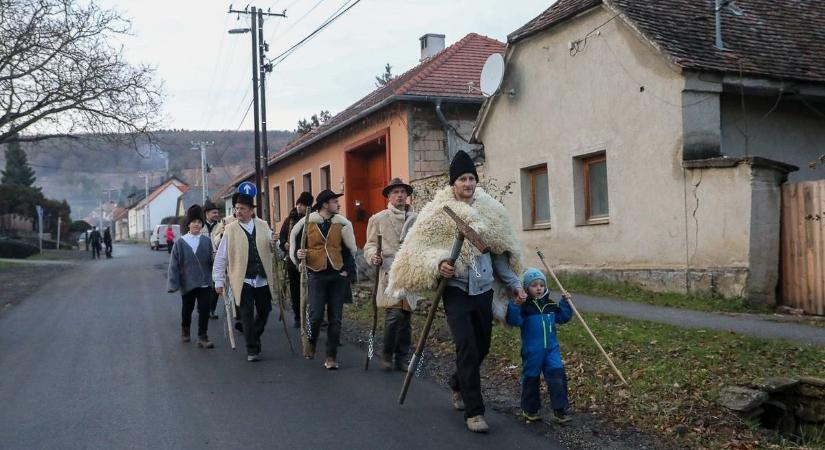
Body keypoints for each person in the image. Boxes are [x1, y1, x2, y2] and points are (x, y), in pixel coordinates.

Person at [386, 150, 526, 433]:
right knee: (466, 346)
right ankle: (475, 412)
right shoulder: (438, 212)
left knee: (482, 346)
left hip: (483, 288)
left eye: (471, 178)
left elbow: (500, 252)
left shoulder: (490, 209)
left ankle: (456, 382)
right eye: (462, 178)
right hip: (457, 291)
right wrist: (439, 264)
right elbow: (420, 248)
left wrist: (515, 284)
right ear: (453, 184)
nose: (468, 183)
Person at [290, 189, 357, 370]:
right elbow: (297, 246)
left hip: (337, 275)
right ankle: (311, 339)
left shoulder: (341, 224)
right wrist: (299, 255)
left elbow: (349, 250)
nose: (338, 204)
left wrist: (348, 272)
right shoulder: (307, 224)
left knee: (335, 319)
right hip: (316, 274)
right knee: (316, 315)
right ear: (325, 204)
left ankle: (331, 356)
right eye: (335, 201)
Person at [212, 193, 277, 362]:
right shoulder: (230, 230)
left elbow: (274, 250)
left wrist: (274, 244)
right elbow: (221, 257)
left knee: (265, 310)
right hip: (242, 279)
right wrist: (218, 280)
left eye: (242, 209)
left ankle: (254, 336)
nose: (238, 212)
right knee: (246, 314)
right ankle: (252, 349)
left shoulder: (263, 226)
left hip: (262, 277)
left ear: (250, 211)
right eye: (236, 208)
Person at [363, 178, 417, 371]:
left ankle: (401, 358)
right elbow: (369, 245)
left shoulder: (416, 219)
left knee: (406, 318)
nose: (400, 195)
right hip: (388, 273)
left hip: (410, 274)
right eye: (395, 192)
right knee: (394, 315)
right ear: (388, 196)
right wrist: (373, 256)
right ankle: (387, 354)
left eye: (403, 191)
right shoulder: (378, 219)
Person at [506, 268, 573, 424]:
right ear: (526, 288)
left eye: (541, 285)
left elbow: (563, 318)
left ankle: (560, 410)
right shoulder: (525, 308)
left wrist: (565, 303)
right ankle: (530, 409)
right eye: (534, 285)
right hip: (532, 351)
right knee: (531, 378)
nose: (538, 288)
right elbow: (514, 321)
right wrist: (515, 305)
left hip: (551, 350)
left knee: (557, 376)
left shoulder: (550, 305)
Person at [167, 205, 216, 349]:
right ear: (188, 224)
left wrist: (219, 274)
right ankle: (185, 328)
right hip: (187, 282)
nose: (197, 224)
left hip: (204, 281)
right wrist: (173, 283)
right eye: (194, 221)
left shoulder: (207, 241)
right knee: (187, 308)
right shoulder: (180, 243)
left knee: (204, 308)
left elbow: (212, 260)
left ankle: (202, 336)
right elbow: (174, 265)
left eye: (199, 222)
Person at [278, 192, 314, 327]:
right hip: (293, 262)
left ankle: (313, 316)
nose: (299, 207)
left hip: (310, 261)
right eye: (298, 204)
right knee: (295, 291)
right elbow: (282, 236)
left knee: (311, 290)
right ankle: (298, 316)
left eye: (303, 205)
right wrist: (284, 244)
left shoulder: (313, 219)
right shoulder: (290, 219)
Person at [203, 201, 222, 319]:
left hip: (216, 260)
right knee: (204, 286)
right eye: (214, 212)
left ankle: (212, 309)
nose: (216, 214)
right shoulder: (199, 225)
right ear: (206, 213)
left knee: (215, 285)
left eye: (217, 213)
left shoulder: (221, 226)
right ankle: (203, 307)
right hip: (202, 260)